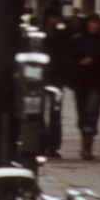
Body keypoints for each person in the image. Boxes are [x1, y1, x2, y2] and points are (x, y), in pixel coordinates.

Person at [70, 14, 100, 160]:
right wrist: (79, 63)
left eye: (96, 23)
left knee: (92, 112)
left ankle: (87, 148)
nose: (93, 26)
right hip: (81, 82)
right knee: (82, 113)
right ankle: (85, 145)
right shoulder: (77, 40)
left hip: (96, 82)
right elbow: (69, 59)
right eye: (91, 22)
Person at [41, 13, 75, 158]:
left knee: (55, 111)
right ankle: (42, 143)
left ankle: (53, 145)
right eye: (53, 17)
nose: (55, 20)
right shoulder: (41, 35)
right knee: (38, 111)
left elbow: (66, 55)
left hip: (55, 76)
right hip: (42, 76)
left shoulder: (61, 36)